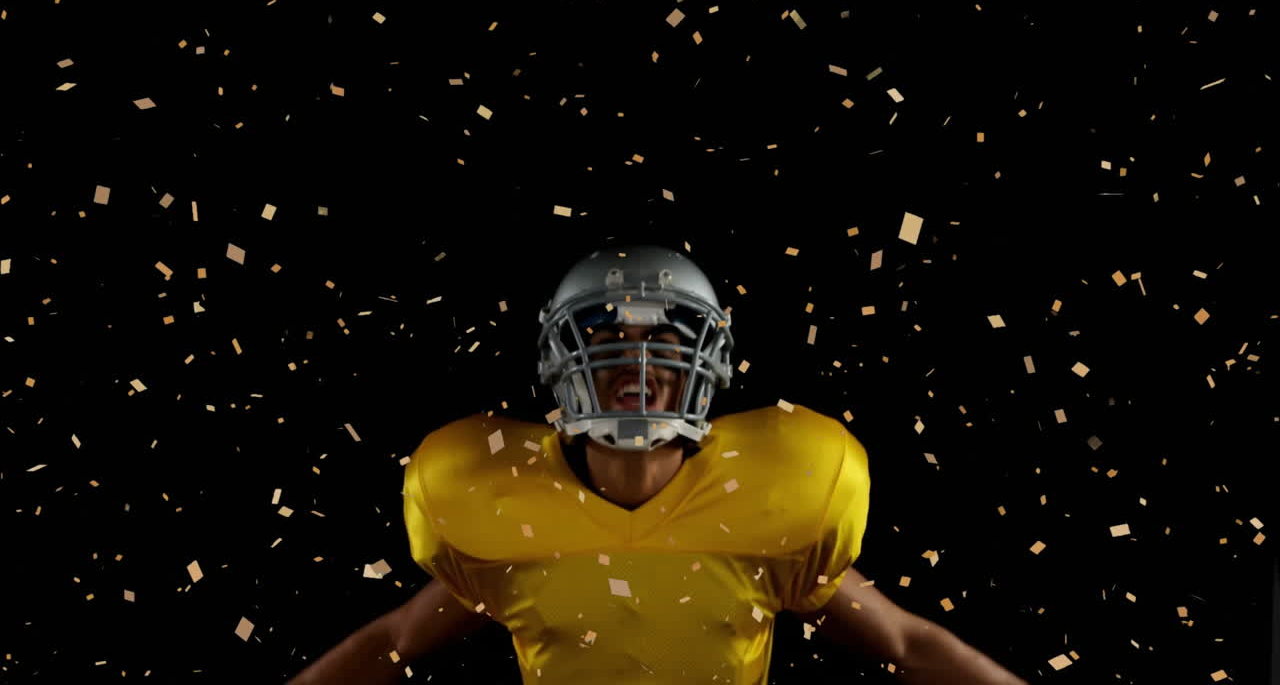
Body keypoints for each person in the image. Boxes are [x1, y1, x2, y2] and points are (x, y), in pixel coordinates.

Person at [287, 245, 1027, 685]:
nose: (637, 365)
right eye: (609, 340)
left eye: (665, 345)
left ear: (705, 363)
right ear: (562, 361)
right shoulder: (499, 511)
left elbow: (904, 644)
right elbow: (392, 643)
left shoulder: (774, 498)